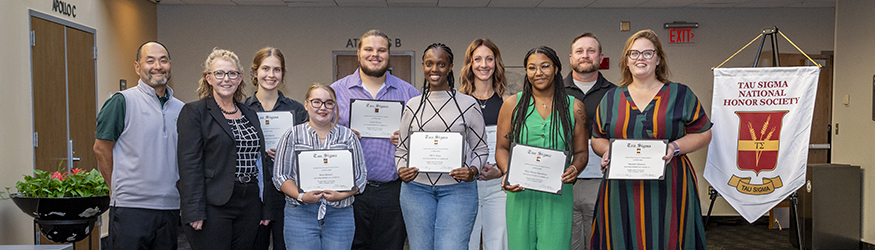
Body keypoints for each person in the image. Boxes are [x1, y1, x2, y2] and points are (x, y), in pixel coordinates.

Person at [590, 29, 712, 249]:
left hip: (670, 183)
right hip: (621, 187)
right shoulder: (611, 98)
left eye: (648, 53)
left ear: (658, 59)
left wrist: (675, 147)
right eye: (634, 53)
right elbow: (597, 138)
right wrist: (607, 150)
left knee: (669, 236)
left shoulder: (680, 94)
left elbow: (704, 133)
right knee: (620, 237)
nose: (640, 58)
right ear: (626, 60)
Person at [177, 48, 281, 250]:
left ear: (240, 78)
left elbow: (260, 162)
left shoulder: (249, 113)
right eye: (219, 73)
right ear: (208, 78)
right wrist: (193, 209)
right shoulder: (195, 112)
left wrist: (266, 207)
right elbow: (189, 165)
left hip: (250, 203)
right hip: (213, 204)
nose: (226, 79)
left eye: (232, 73)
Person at [330, 29, 420, 250]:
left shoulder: (409, 93)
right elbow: (320, 135)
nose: (375, 55)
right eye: (369, 49)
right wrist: (341, 136)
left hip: (393, 191)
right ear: (358, 53)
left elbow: (424, 137)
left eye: (381, 50)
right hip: (349, 190)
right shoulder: (335, 92)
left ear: (389, 54)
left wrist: (410, 140)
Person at [395, 43, 488, 250]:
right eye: (429, 64)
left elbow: (481, 149)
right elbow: (402, 149)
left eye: (441, 64)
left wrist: (473, 171)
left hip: (458, 190)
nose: (434, 69)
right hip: (416, 190)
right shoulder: (412, 105)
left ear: (450, 66)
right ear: (423, 65)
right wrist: (401, 169)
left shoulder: (468, 104)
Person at [93, 41, 184, 249]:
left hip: (170, 207)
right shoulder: (122, 101)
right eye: (150, 61)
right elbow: (101, 148)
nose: (158, 66)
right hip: (131, 207)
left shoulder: (181, 109)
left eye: (163, 60)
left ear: (170, 65)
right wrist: (115, 189)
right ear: (137, 66)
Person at [495, 46, 587, 250]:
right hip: (520, 192)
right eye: (532, 67)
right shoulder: (512, 104)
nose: (538, 72)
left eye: (545, 66)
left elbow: (581, 153)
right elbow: (501, 148)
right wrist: (507, 172)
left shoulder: (574, 107)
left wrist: (575, 168)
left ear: (556, 69)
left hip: (558, 195)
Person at [273, 83, 368, 250]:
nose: (323, 107)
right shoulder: (292, 135)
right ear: (306, 105)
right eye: (316, 102)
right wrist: (302, 196)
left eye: (329, 103)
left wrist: (341, 195)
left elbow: (360, 177)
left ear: (335, 107)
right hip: (300, 213)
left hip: (340, 214)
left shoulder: (348, 137)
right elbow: (280, 176)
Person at [244, 47, 308, 250]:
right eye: (265, 68)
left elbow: (307, 151)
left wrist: (288, 154)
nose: (271, 75)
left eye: (277, 70)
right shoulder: (242, 109)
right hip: (253, 194)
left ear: (283, 74)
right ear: (255, 72)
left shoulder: (297, 110)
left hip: (287, 194)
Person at [563, 32, 617, 250]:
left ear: (600, 57)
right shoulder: (554, 92)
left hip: (601, 180)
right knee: (567, 242)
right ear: (571, 58)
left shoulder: (616, 94)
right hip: (563, 181)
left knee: (599, 240)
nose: (585, 55)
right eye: (579, 51)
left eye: (591, 51)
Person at [458, 38, 509, 250]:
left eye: (489, 59)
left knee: (498, 244)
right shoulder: (457, 102)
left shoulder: (508, 103)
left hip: (498, 186)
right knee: (465, 243)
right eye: (477, 59)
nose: (484, 64)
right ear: (470, 64)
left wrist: (501, 170)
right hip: (465, 185)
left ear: (496, 63)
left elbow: (516, 145)